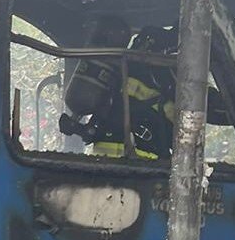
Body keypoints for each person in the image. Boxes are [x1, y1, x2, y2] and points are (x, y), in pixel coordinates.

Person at [61, 17, 177, 160]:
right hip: (145, 175)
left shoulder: (119, 80)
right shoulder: (119, 81)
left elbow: (93, 132)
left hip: (100, 174)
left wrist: (76, 128)